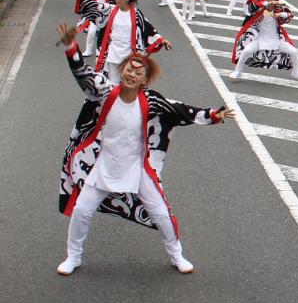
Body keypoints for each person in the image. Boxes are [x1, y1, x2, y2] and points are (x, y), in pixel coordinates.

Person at [54, 23, 235, 276]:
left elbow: (182, 110)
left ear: (144, 80)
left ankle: (177, 255)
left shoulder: (150, 100)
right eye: (128, 69)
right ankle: (73, 256)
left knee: (161, 214)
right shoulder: (106, 92)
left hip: (138, 168)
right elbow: (83, 75)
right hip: (104, 165)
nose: (131, 75)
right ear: (122, 70)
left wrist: (213, 115)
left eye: (137, 73)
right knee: (82, 211)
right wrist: (71, 47)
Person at [76, 0, 172, 84]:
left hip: (129, 54)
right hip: (113, 52)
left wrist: (161, 40)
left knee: (127, 83)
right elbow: (94, 6)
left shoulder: (136, 14)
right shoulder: (110, 10)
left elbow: (148, 27)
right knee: (112, 83)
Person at [231, 0, 298, 81]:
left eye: (270, 1)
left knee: (293, 51)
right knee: (246, 51)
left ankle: (296, 71)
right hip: (260, 39)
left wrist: (282, 14)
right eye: (266, 0)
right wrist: (266, 5)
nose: (268, 3)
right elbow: (256, 10)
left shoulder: (278, 10)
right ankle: (237, 71)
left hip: (276, 40)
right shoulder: (260, 11)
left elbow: (289, 15)